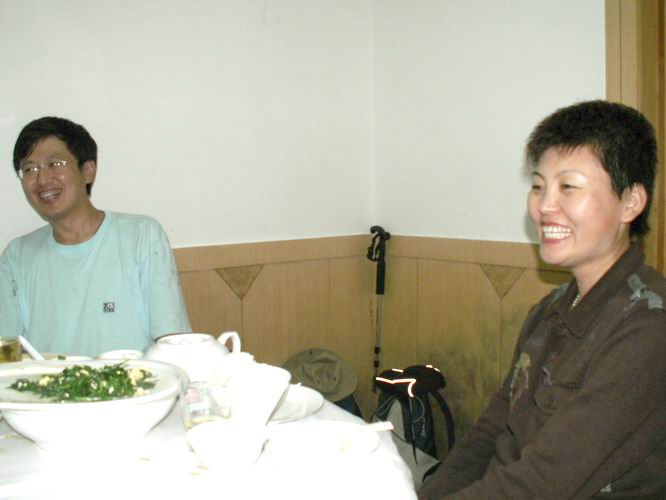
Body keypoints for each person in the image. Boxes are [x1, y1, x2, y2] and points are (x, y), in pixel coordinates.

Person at [418, 101, 666, 499]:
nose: (544, 205)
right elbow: (490, 433)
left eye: (568, 187)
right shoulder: (550, 309)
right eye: (538, 186)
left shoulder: (648, 328)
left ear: (631, 202)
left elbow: (542, 482)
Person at [0, 117, 191, 356]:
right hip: (48, 381)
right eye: (30, 169)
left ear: (87, 171)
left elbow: (174, 345)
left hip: (134, 379)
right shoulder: (16, 257)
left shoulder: (141, 236)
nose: (42, 179)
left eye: (54, 163)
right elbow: (6, 352)